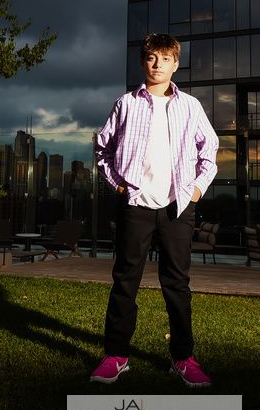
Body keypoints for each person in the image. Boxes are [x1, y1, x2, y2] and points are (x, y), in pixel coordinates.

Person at [90, 33, 219, 388]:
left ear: (176, 63)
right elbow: (102, 148)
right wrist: (119, 185)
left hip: (178, 206)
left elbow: (210, 150)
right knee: (125, 281)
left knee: (177, 284)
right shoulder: (126, 104)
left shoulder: (190, 106)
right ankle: (116, 356)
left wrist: (196, 190)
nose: (157, 64)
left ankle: (183, 359)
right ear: (143, 62)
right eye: (151, 57)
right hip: (136, 205)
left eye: (165, 58)